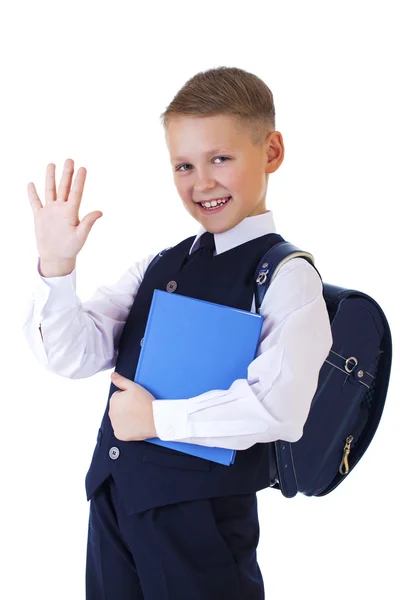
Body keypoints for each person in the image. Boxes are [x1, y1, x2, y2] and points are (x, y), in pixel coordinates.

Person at [23, 66, 333, 600]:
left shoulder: (286, 276)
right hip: (116, 503)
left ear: (272, 152)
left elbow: (279, 408)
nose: (202, 182)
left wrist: (156, 419)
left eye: (221, 158)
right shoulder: (159, 264)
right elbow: (73, 353)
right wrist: (56, 267)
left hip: (202, 525)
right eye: (184, 165)